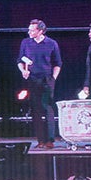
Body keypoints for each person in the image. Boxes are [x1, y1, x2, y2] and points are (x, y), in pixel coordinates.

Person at [16, 18, 62, 147]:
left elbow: (58, 63)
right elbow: (20, 60)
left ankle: (50, 140)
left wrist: (53, 78)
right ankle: (40, 140)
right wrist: (23, 71)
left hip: (47, 79)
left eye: (32, 30)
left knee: (48, 109)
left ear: (40, 31)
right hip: (32, 80)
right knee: (36, 110)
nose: (29, 32)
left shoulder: (51, 43)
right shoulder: (26, 43)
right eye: (29, 30)